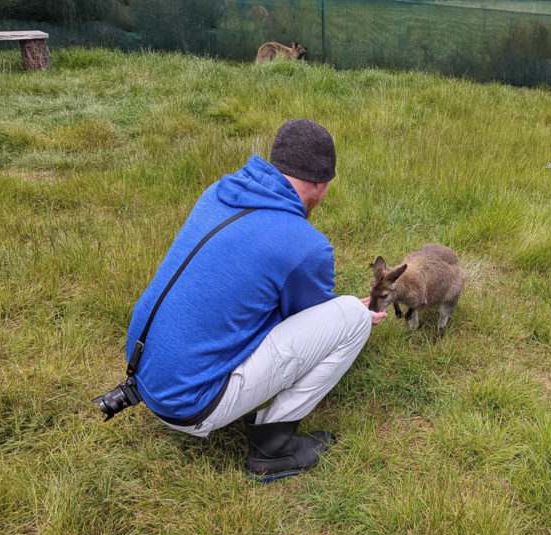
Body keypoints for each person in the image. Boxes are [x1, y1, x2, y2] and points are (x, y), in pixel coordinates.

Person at [125, 119, 387, 481]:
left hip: (142, 372)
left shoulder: (218, 191)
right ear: (321, 185)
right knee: (351, 318)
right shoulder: (307, 245)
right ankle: (272, 448)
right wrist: (349, 312)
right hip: (189, 406)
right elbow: (309, 321)